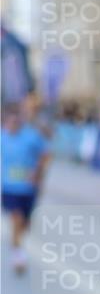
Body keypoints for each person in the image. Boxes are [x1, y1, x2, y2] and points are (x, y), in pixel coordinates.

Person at [1, 101, 50, 275]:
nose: (13, 124)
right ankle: (17, 254)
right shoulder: (2, 137)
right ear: (5, 121)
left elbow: (45, 155)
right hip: (8, 187)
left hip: (29, 188)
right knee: (17, 219)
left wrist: (37, 173)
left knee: (26, 223)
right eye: (10, 121)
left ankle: (16, 240)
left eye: (16, 121)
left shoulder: (31, 136)